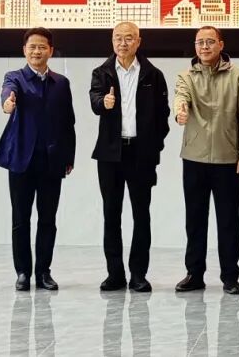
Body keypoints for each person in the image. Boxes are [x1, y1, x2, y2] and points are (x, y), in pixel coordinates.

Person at [0, 27, 76, 291]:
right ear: (24, 50)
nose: (36, 51)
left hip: (52, 161)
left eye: (42, 47)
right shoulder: (14, 77)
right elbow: (7, 92)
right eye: (32, 47)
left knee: (48, 219)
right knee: (20, 219)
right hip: (21, 160)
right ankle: (22, 272)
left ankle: (43, 272)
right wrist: (7, 103)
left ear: (50, 51)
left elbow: (68, 123)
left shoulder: (61, 83)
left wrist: (69, 156)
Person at [89, 22, 171, 293]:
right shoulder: (101, 72)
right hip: (110, 155)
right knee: (111, 214)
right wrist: (104, 103)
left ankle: (138, 274)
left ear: (138, 41)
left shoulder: (153, 74)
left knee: (141, 215)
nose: (122, 43)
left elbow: (163, 115)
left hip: (141, 154)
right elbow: (95, 101)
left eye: (128, 38)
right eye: (117, 38)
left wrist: (154, 146)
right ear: (112, 41)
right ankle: (115, 274)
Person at [174, 25, 239, 295]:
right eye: (200, 42)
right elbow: (181, 98)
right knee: (195, 220)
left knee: (228, 221)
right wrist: (180, 111)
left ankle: (230, 276)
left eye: (210, 41)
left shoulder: (237, 76)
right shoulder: (186, 76)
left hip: (227, 159)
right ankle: (194, 274)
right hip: (194, 158)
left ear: (221, 44)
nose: (205, 47)